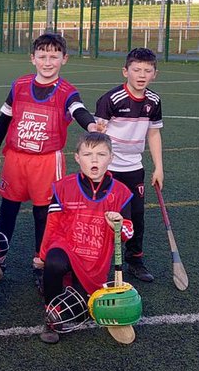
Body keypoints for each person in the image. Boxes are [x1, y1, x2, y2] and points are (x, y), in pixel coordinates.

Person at [0, 32, 96, 288]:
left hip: (47, 162)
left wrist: (90, 125)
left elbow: (77, 110)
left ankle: (41, 261)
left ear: (64, 59)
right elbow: (5, 118)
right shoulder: (20, 85)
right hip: (16, 158)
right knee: (8, 210)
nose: (48, 62)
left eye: (54, 57)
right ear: (32, 58)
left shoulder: (67, 91)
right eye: (42, 56)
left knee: (44, 214)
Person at [37, 132, 134, 343]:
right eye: (88, 154)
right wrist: (43, 256)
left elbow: (128, 233)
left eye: (101, 154)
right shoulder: (63, 187)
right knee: (54, 262)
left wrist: (118, 225)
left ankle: (71, 286)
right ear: (77, 157)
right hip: (67, 246)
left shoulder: (122, 192)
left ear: (111, 157)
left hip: (96, 257)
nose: (95, 160)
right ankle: (51, 315)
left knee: (80, 310)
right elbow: (52, 224)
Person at [94, 47, 164, 283]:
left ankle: (135, 259)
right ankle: (101, 260)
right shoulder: (111, 99)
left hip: (134, 168)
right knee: (105, 215)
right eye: (136, 70)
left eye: (147, 70)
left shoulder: (154, 101)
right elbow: (98, 136)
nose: (141, 75)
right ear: (125, 71)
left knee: (136, 216)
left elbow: (153, 134)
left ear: (155, 73)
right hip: (109, 169)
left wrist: (158, 167)